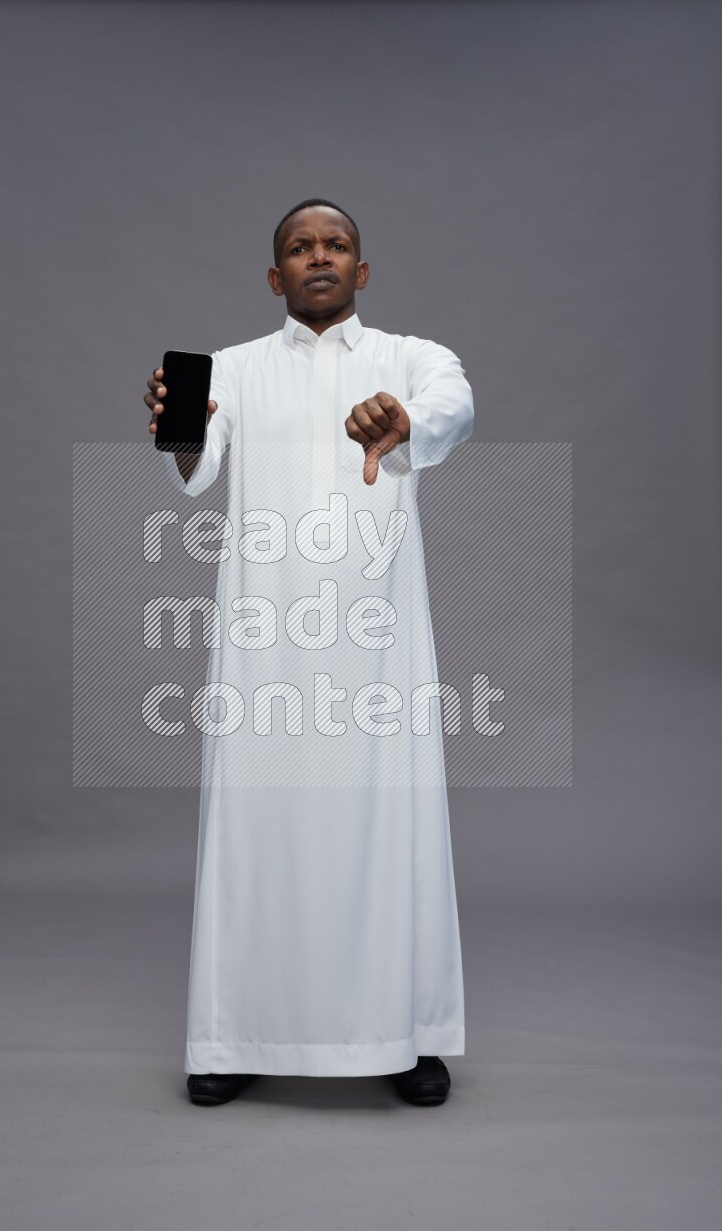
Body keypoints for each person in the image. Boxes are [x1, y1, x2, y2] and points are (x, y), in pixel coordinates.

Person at [143, 199, 474, 1107]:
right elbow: (195, 469)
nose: (317, 256)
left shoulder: (410, 358)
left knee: (393, 828)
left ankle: (407, 1033)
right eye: (299, 247)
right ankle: (235, 1033)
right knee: (255, 830)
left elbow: (454, 407)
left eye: (335, 245)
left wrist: (404, 423)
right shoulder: (233, 369)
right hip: (267, 646)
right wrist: (178, 425)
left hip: (377, 645)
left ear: (361, 271)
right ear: (274, 275)